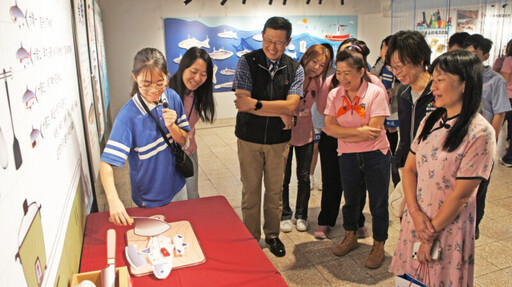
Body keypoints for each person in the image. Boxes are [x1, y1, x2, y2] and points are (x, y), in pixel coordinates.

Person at [390, 50, 496, 286]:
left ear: (464, 84)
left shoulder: (480, 132)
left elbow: (461, 195)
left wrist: (430, 234)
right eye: (433, 79)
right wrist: (415, 214)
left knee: (438, 279)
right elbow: (409, 169)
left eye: (440, 80)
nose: (433, 87)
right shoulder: (431, 120)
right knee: (408, 280)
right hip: (416, 219)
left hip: (447, 226)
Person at [233, 16, 304, 257]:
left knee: (275, 191)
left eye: (278, 42)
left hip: (278, 140)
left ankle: (272, 235)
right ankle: (251, 237)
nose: (272, 47)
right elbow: (242, 102)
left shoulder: (296, 68)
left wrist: (260, 104)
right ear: (262, 36)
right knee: (250, 190)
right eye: (268, 41)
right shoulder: (247, 62)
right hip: (249, 137)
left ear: (288, 42)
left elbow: (293, 105)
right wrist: (280, 109)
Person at [100, 48, 191, 225]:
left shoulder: (172, 97)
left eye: (160, 83)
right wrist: (114, 200)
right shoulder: (128, 117)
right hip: (150, 197)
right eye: (146, 84)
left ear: (167, 76)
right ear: (135, 78)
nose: (153, 90)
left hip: (178, 185)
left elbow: (184, 140)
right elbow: (106, 164)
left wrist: (172, 127)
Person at [325, 47, 391, 269]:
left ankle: (379, 244)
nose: (342, 78)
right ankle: (350, 236)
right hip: (347, 156)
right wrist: (358, 133)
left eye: (348, 73)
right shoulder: (335, 94)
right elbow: (329, 127)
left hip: (376, 154)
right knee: (351, 200)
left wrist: (343, 132)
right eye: (339, 72)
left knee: (378, 202)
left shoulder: (375, 93)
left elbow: (375, 129)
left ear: (361, 71)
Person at [314, 39, 386, 240]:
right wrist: (355, 130)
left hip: (365, 145)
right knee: (331, 180)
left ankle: (357, 222)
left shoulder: (375, 84)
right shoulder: (332, 83)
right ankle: (326, 220)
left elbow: (376, 125)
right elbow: (323, 110)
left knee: (358, 185)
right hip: (332, 139)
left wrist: (344, 130)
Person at [463, 34, 511, 239]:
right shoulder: (462, 76)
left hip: (483, 145)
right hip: (462, 143)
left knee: (479, 189)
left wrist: (489, 144)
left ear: (485, 56)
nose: (470, 58)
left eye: (474, 54)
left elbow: (499, 113)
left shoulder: (496, 81)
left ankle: (474, 228)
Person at [280, 44, 331, 233]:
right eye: (314, 61)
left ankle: (301, 215)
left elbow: (324, 105)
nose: (316, 67)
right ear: (306, 57)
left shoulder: (319, 82)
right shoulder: (292, 73)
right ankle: (284, 215)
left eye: (321, 65)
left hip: (306, 133)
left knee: (304, 176)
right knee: (283, 177)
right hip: (285, 132)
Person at [386, 30, 435, 187]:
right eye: (392, 67)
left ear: (420, 60)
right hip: (405, 163)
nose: (396, 73)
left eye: (400, 66)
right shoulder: (403, 92)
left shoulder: (438, 92)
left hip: (432, 167)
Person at [168, 47, 215, 200]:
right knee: (171, 200)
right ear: (183, 67)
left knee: (192, 196)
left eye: (203, 74)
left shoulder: (198, 93)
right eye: (193, 71)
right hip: (165, 156)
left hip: (188, 152)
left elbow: (191, 124)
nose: (197, 78)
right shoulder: (165, 92)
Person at [309, 43, 335, 192]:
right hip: (314, 117)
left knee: (328, 153)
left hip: (330, 119)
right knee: (314, 149)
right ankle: (310, 177)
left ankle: (327, 181)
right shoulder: (313, 72)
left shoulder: (335, 73)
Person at [372, 35, 400, 155]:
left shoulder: (398, 64)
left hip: (392, 102)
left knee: (392, 128)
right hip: (379, 102)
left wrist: (393, 92)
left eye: (387, 47)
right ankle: (382, 152)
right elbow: (371, 75)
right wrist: (382, 59)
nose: (385, 50)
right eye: (383, 47)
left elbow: (403, 84)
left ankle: (391, 153)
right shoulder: (380, 63)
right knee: (380, 127)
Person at [500, 39, 512, 166]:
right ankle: (509, 159)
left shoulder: (509, 61)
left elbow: (504, 80)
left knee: (496, 126)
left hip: (507, 97)